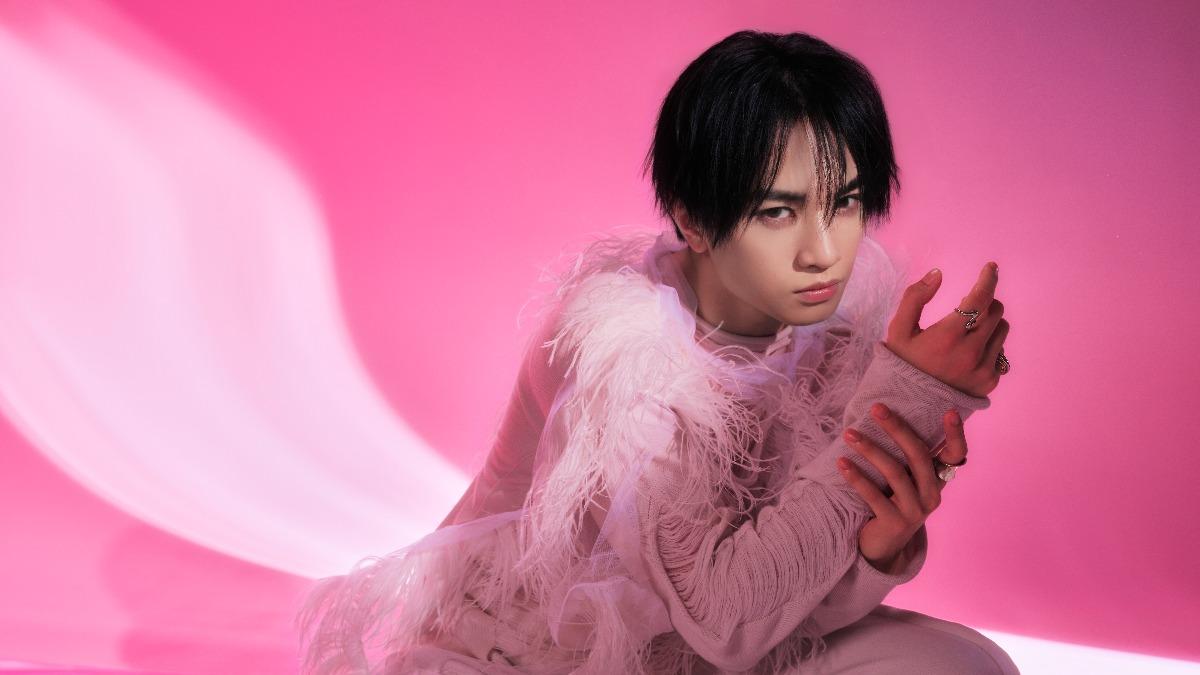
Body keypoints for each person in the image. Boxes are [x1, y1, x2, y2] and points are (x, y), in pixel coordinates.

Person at [296, 30, 1018, 674]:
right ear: (691, 219)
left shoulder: (827, 331)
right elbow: (724, 617)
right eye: (778, 211)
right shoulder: (624, 354)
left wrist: (875, 547)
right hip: (540, 654)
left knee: (962, 665)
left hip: (706, 645)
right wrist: (911, 398)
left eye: (846, 203)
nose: (823, 251)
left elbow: (781, 607)